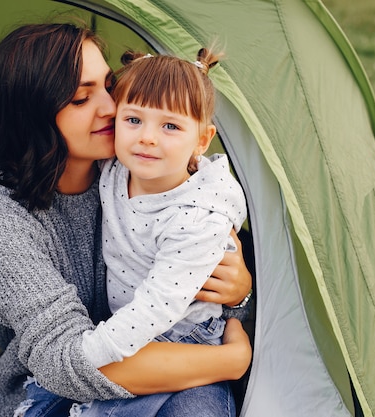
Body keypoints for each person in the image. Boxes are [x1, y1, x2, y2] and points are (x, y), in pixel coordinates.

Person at [0, 22, 253, 417]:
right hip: (57, 387)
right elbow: (64, 363)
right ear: (32, 114)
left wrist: (238, 294)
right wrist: (232, 360)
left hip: (174, 355)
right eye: (81, 98)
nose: (113, 108)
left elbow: (204, 258)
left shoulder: (144, 167)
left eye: (109, 85)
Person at [60, 48, 248, 417]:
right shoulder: (115, 167)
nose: (146, 138)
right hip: (130, 327)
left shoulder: (196, 217)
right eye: (133, 120)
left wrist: (92, 351)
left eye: (170, 126)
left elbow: (160, 304)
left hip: (184, 334)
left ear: (202, 140)